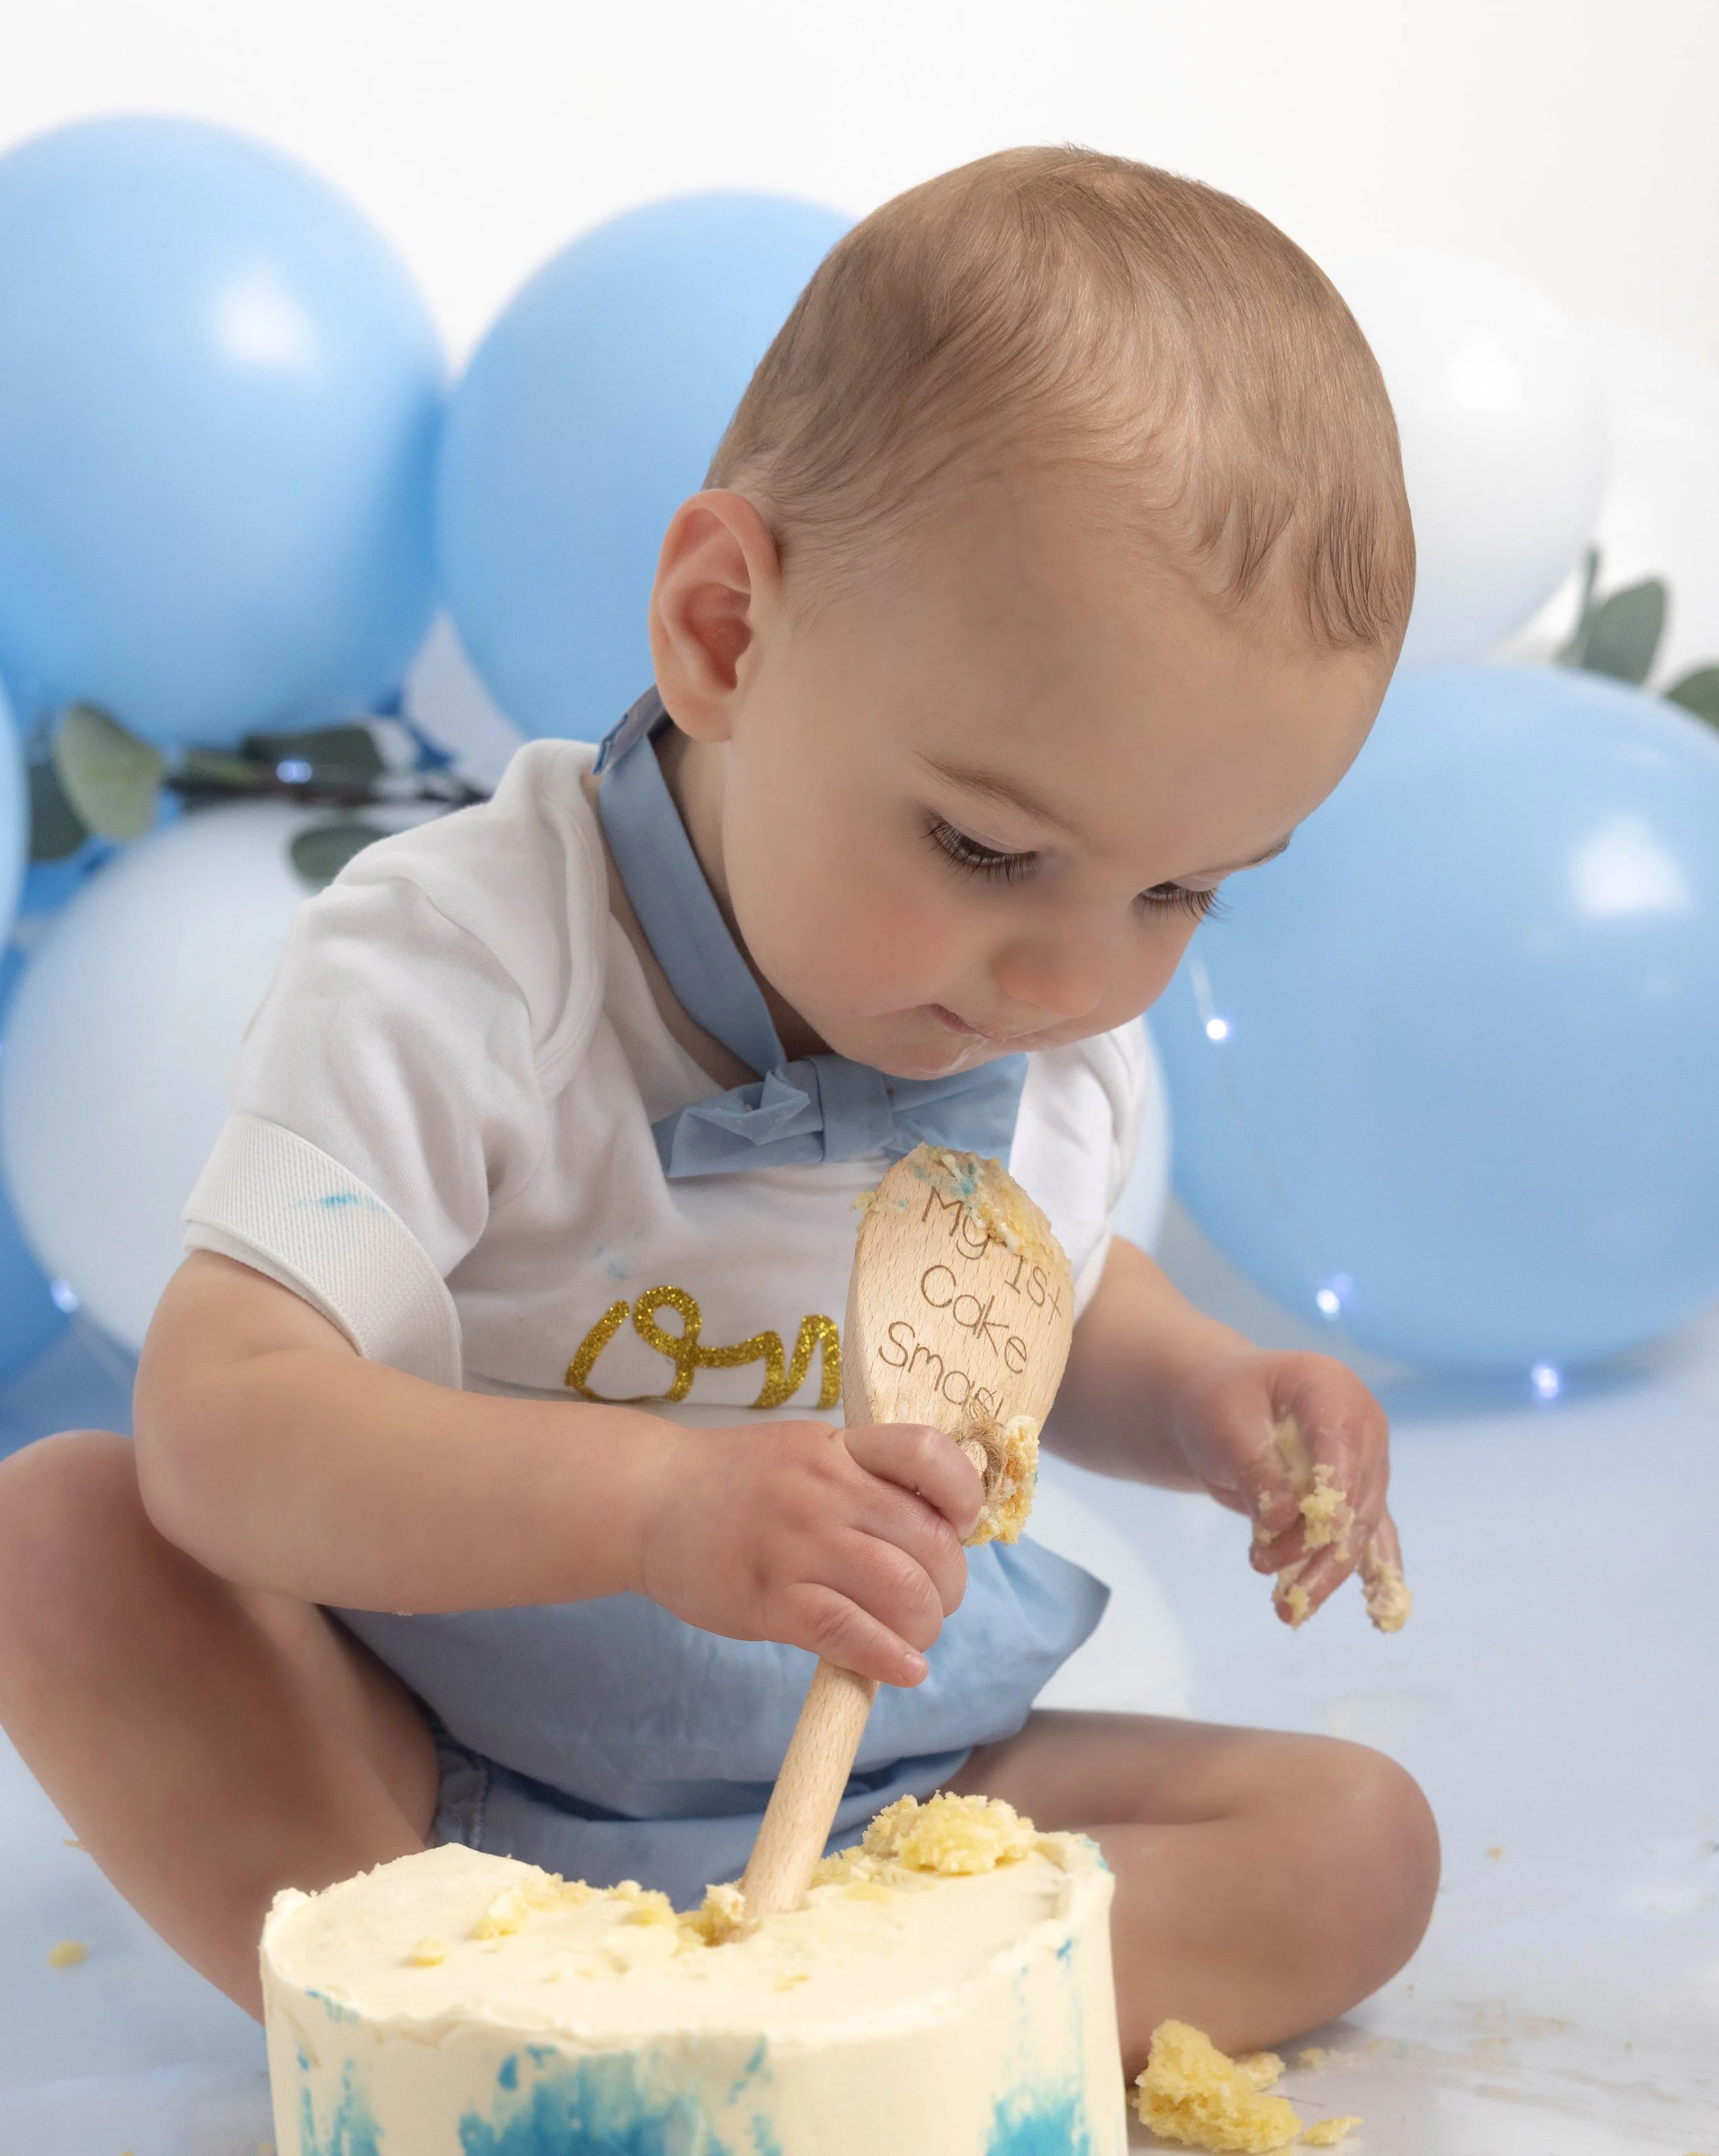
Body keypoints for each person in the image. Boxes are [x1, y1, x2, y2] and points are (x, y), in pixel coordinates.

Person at [0, 146, 1438, 2069]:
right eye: (985, 844)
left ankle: (786, 2024)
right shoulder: (465, 967)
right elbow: (226, 1427)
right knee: (67, 1535)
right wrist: (657, 1500)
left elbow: (1028, 1323)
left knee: (1353, 1848)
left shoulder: (1043, 1020)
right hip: (435, 1764)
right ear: (727, 633)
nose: (1077, 983)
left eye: (1183, 889)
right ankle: (468, 2023)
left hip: (876, 1798)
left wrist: (1207, 1400)